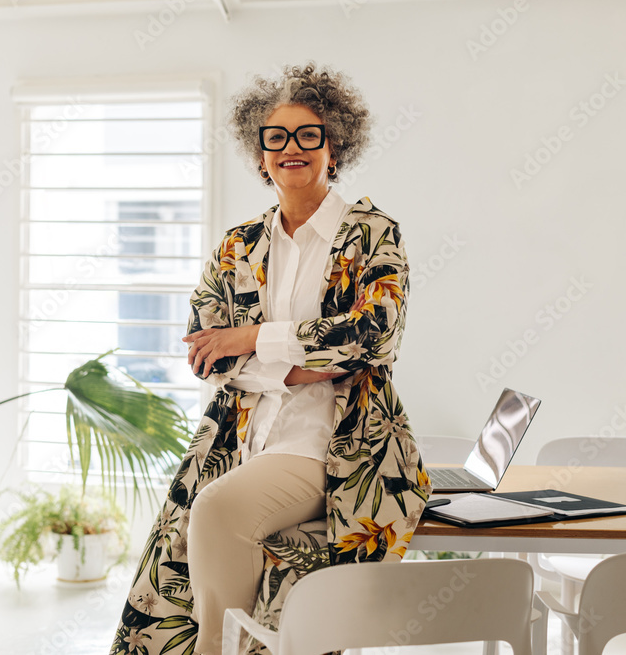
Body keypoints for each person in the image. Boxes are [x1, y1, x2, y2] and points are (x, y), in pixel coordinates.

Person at [108, 62, 431, 655]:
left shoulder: (373, 234)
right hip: (237, 439)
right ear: (260, 155)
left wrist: (252, 337)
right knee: (174, 563)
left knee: (216, 511)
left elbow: (372, 337)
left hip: (333, 442)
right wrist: (303, 357)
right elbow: (206, 351)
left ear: (335, 147)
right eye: (275, 136)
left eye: (309, 134)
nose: (292, 148)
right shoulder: (239, 244)